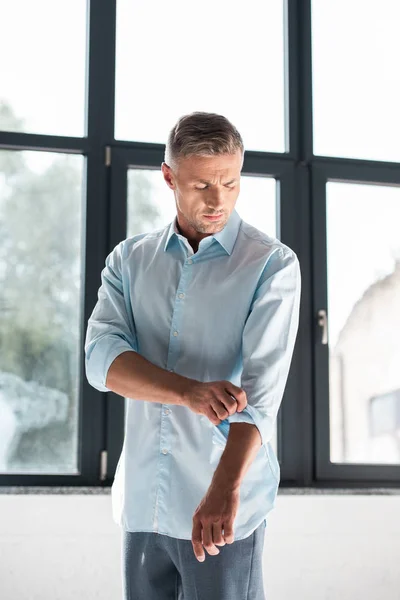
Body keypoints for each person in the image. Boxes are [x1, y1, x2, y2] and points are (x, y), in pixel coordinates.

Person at [84, 111, 301, 599]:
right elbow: (101, 360)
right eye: (202, 184)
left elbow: (262, 397)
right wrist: (188, 391)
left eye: (230, 181)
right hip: (144, 503)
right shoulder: (129, 260)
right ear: (169, 176)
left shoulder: (271, 264)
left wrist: (225, 490)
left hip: (222, 505)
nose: (218, 199)